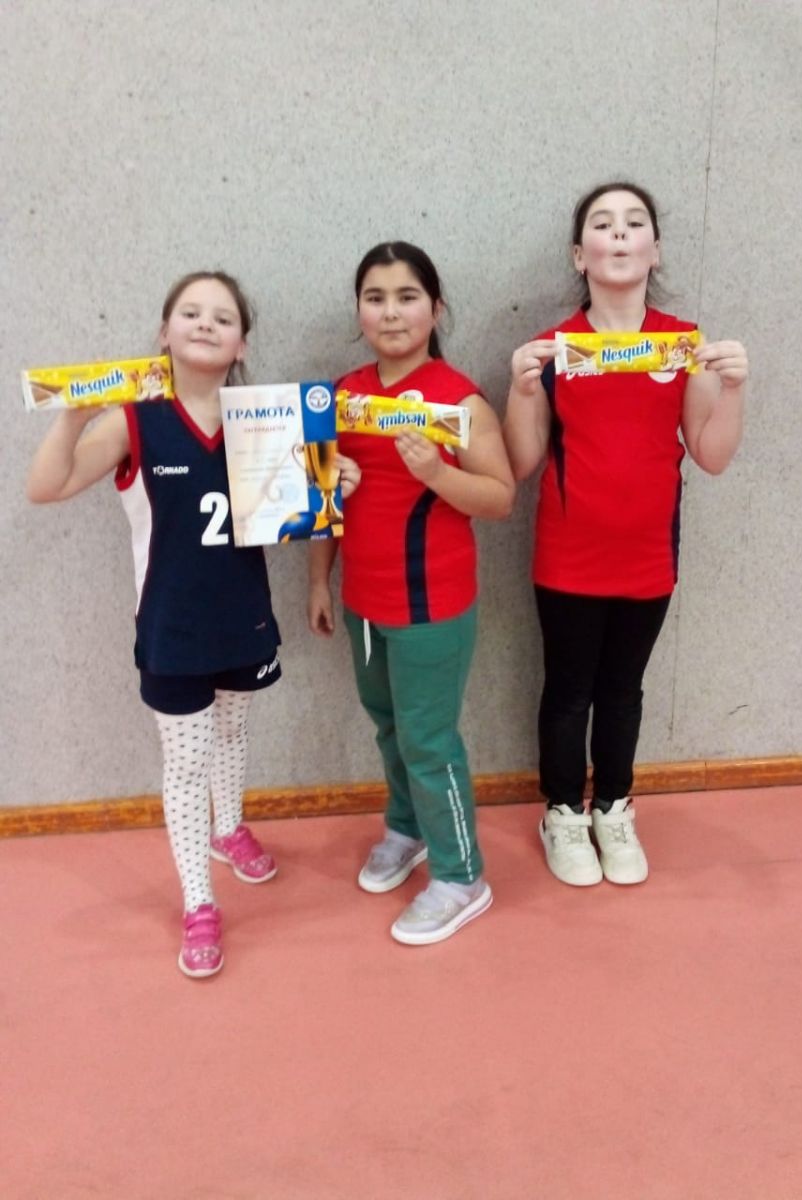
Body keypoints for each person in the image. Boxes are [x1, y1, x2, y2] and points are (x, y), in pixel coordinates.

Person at [27, 271, 359, 978]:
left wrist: (335, 485)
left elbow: (300, 515)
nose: (206, 323)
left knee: (234, 733)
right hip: (172, 630)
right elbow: (46, 486)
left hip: (243, 618)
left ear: (242, 343)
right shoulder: (134, 420)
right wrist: (73, 417)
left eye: (223, 317)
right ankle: (199, 902)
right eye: (190, 312)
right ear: (164, 331)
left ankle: (228, 827)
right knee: (185, 764)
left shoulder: (267, 418)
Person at [503, 182, 747, 888]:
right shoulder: (552, 351)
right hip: (567, 558)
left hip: (648, 558)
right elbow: (521, 462)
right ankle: (561, 813)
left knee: (623, 691)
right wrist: (521, 390)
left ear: (654, 250)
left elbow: (711, 454)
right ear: (579, 255)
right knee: (568, 691)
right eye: (602, 224)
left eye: (634, 223)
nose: (618, 234)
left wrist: (734, 389)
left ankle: (613, 805)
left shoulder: (682, 344)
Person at [308, 242, 515, 945]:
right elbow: (321, 498)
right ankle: (407, 829)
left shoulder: (458, 399)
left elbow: (500, 498)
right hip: (363, 604)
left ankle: (462, 876)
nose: (391, 312)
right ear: (359, 312)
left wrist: (437, 475)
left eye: (407, 297)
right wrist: (319, 580)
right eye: (375, 298)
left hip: (432, 608)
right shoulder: (339, 397)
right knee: (389, 726)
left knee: (428, 741)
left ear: (436, 309)